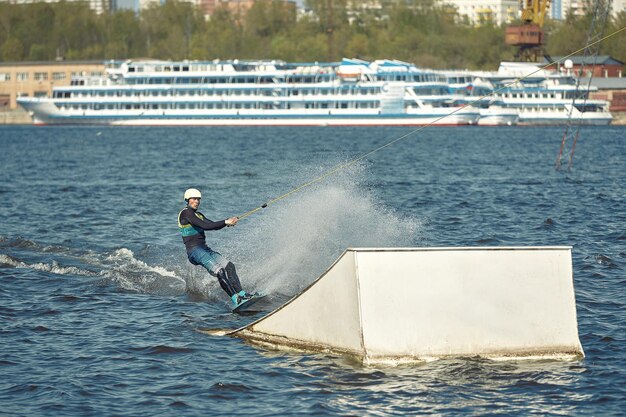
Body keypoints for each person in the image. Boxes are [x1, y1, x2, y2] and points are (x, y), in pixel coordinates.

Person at [178, 188, 253, 307]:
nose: (197, 201)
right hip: (194, 251)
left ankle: (242, 294)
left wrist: (228, 222)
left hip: (205, 249)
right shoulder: (186, 213)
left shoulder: (198, 215)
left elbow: (212, 225)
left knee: (229, 266)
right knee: (220, 270)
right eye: (194, 199)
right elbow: (204, 226)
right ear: (187, 200)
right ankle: (235, 299)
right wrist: (225, 222)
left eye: (198, 199)